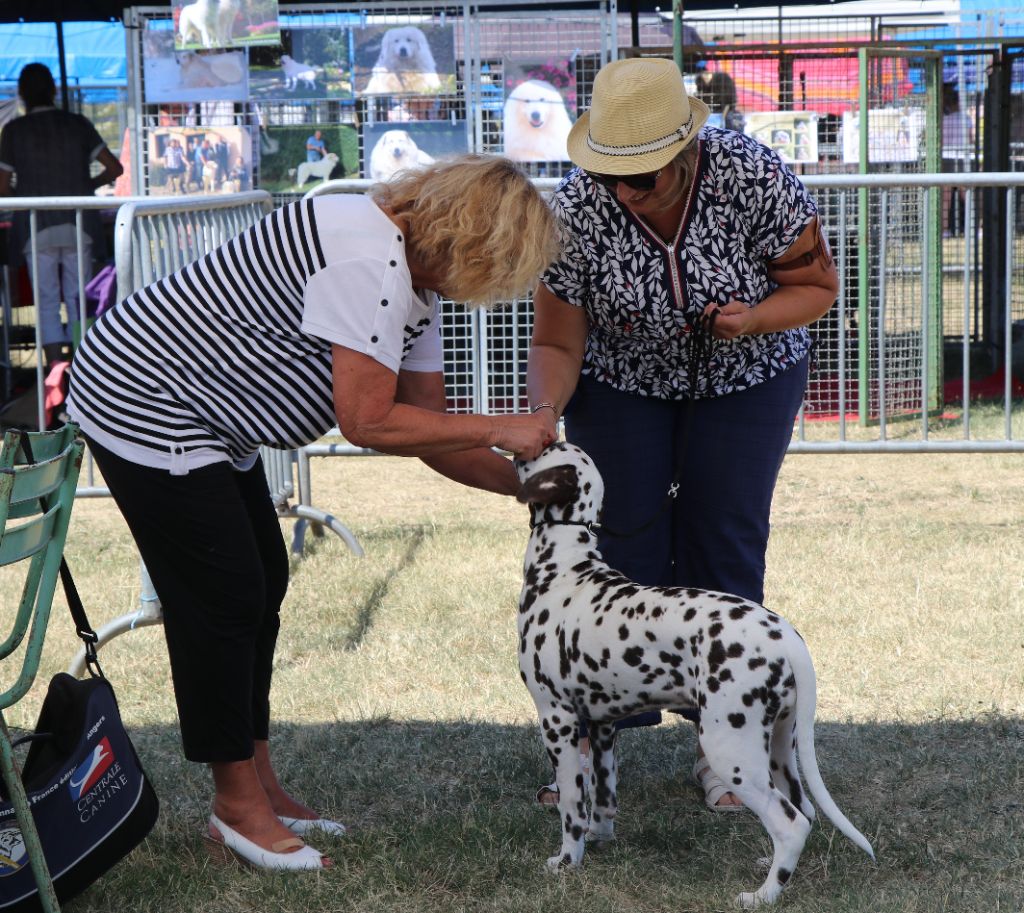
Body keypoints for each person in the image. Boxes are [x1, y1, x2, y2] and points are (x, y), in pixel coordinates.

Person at [65, 154, 559, 872]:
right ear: (476, 242)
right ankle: (235, 807)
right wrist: (501, 426)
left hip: (207, 420)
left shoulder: (408, 274)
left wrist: (525, 485)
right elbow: (368, 421)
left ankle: (260, 784)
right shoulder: (369, 259)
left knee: (261, 579)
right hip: (145, 402)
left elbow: (427, 426)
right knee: (224, 595)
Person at [526, 58, 838, 811]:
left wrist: (752, 317)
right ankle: (591, 758)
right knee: (616, 551)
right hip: (620, 384)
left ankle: (730, 755)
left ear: (688, 151)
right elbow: (558, 344)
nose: (624, 192)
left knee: (722, 541)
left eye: (643, 177)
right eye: (610, 176)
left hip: (748, 376)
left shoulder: (752, 177)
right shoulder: (575, 213)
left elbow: (818, 286)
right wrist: (541, 414)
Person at [0, 63, 124, 367]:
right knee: (79, 298)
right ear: (54, 90)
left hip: (35, 225)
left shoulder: (15, 131)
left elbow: (2, 188)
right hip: (79, 222)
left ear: (22, 94)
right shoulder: (77, 124)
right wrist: (84, 186)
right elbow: (115, 168)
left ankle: (54, 374)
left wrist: (27, 195)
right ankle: (86, 370)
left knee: (45, 302)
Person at [942, 82, 974, 237]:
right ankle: (974, 227)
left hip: (946, 158)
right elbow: (970, 139)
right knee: (967, 194)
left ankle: (945, 229)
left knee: (945, 197)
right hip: (962, 158)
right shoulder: (966, 119)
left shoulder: (943, 120)